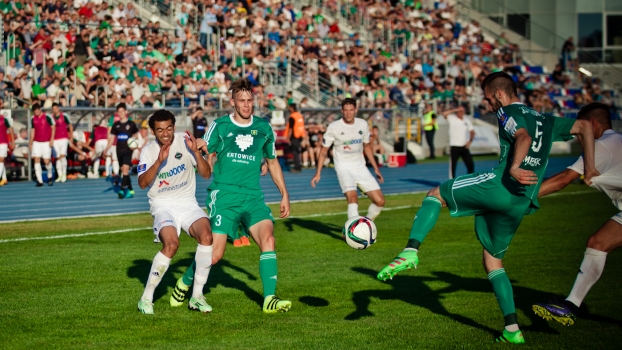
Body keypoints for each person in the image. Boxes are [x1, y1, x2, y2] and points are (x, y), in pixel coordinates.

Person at [376, 72, 599, 344]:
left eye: (489, 99)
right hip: (522, 201)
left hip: (501, 186)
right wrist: (590, 168)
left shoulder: (507, 113)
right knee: (492, 261)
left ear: (501, 95)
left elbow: (524, 138)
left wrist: (515, 167)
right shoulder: (546, 119)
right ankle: (512, 330)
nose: (488, 104)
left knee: (436, 194)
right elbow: (586, 127)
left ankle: (411, 250)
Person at [171, 78, 292, 314]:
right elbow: (207, 144)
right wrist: (198, 145)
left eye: (250, 100)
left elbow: (272, 162)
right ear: (233, 102)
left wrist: (284, 195)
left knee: (269, 240)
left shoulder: (264, 129)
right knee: (214, 255)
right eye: (242, 101)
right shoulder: (221, 126)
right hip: (224, 196)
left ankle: (269, 299)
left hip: (253, 197)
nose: (247, 105)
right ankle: (185, 281)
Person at [532, 103, 622, 326]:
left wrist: (523, 199)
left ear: (590, 125)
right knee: (597, 242)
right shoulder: (616, 139)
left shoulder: (601, 146)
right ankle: (571, 306)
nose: (575, 134)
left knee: (598, 243)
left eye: (577, 129)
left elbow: (562, 180)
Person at [136, 109, 214, 314]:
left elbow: (206, 174)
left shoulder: (185, 142)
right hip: (163, 206)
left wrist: (196, 152)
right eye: (160, 130)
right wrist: (159, 161)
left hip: (188, 203)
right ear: (154, 131)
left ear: (174, 127)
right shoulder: (148, 151)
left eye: (169, 128)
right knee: (171, 244)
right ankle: (146, 298)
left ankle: (196, 296)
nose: (166, 133)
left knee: (207, 236)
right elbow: (143, 183)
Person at [311, 98, 385, 221]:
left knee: (380, 201)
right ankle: (352, 230)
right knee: (353, 198)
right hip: (343, 168)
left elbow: (367, 147)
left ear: (356, 110)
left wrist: (376, 169)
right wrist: (318, 173)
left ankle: (365, 224)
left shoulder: (363, 124)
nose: (348, 113)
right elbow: (323, 151)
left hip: (360, 167)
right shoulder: (334, 127)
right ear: (342, 111)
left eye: (351, 110)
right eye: (346, 110)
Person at [104, 103, 139, 198]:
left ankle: (122, 191)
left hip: (128, 150)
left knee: (125, 170)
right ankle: (131, 189)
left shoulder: (131, 124)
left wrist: (135, 147)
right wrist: (106, 149)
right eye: (119, 111)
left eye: (122, 111)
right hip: (119, 150)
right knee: (123, 170)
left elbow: (136, 137)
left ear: (126, 112)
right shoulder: (116, 125)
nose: (121, 113)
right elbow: (112, 138)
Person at [441, 106, 475, 179]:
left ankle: (470, 180)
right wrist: (455, 109)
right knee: (453, 166)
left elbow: (472, 131)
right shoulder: (452, 118)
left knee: (470, 164)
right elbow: (444, 114)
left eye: (462, 111)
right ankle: (451, 182)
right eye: (459, 111)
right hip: (454, 146)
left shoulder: (466, 120)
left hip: (464, 146)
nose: (460, 112)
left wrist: (470, 141)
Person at [29, 103, 56, 187]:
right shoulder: (33, 119)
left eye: (37, 110)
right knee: (36, 159)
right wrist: (31, 142)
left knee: (46, 161)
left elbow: (53, 127)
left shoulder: (47, 117)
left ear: (40, 109)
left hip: (46, 142)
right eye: (34, 111)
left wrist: (51, 139)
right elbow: (33, 131)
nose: (36, 112)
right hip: (37, 142)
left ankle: (50, 176)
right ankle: (39, 180)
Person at [51, 103, 73, 183]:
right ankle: (59, 174)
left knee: (63, 156)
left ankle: (64, 173)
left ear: (58, 108)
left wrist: (71, 136)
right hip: (55, 139)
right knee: (57, 157)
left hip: (63, 138)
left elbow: (70, 125)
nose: (54, 110)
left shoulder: (64, 116)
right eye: (53, 108)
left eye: (56, 108)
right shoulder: (51, 117)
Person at [285, 103, 305, 173]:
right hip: (300, 135)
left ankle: (297, 167)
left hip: (294, 136)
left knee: (295, 152)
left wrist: (288, 137)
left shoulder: (292, 117)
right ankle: (298, 166)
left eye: (289, 108)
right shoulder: (299, 115)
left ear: (291, 108)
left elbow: (290, 128)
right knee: (297, 152)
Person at [0, 110, 14, 186]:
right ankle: (4, 178)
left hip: (3, 142)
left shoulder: (4, 119)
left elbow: (11, 130)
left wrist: (13, 142)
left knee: (1, 160)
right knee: (0, 162)